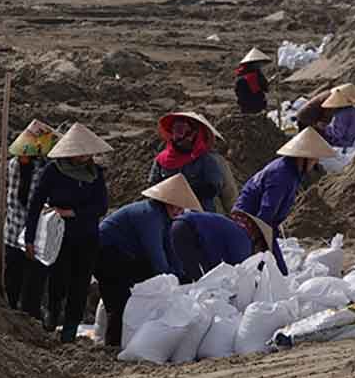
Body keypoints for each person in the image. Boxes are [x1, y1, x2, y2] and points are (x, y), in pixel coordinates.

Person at [25, 122, 110, 343]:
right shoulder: (53, 171)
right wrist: (30, 237)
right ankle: (52, 318)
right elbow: (35, 204)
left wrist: (74, 212)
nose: (84, 156)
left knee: (81, 285)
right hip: (59, 236)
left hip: (88, 236)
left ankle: (70, 332)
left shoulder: (95, 173)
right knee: (58, 281)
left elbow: (101, 206)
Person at [95, 173, 200, 347]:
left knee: (145, 289)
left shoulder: (165, 219)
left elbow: (170, 249)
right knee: (118, 301)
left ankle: (127, 341)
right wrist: (170, 278)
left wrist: (182, 276)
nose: (179, 211)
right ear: (166, 201)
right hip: (106, 253)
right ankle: (112, 345)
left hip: (127, 256)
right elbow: (155, 253)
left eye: (182, 208)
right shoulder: (149, 216)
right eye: (176, 206)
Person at [234, 127, 336, 275]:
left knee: (273, 271)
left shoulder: (292, 171)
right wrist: (263, 240)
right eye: (314, 159)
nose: (316, 163)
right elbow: (266, 212)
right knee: (271, 270)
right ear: (303, 157)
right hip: (251, 222)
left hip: (261, 223)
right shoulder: (282, 175)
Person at [3, 119, 57, 314]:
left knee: (31, 285)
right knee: (14, 282)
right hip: (15, 232)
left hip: (30, 234)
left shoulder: (39, 169)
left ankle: (28, 317)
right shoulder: (19, 166)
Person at [147, 111, 234, 213]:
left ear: (194, 134)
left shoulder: (207, 160)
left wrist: (185, 195)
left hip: (200, 213)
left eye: (184, 131)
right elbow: (153, 185)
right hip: (168, 213)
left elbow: (213, 188)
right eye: (176, 130)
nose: (180, 137)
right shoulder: (161, 160)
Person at [171, 208, 271, 282]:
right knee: (202, 284)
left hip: (179, 225)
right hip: (188, 232)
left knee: (194, 280)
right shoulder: (244, 241)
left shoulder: (233, 227)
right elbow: (238, 271)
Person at [319, 84, 355, 148]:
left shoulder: (342, 115)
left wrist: (325, 128)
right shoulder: (353, 110)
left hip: (349, 141)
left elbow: (338, 133)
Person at [234, 48, 273, 113]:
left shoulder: (242, 74)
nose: (260, 65)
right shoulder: (255, 75)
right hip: (254, 104)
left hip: (247, 105)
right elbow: (264, 87)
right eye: (258, 63)